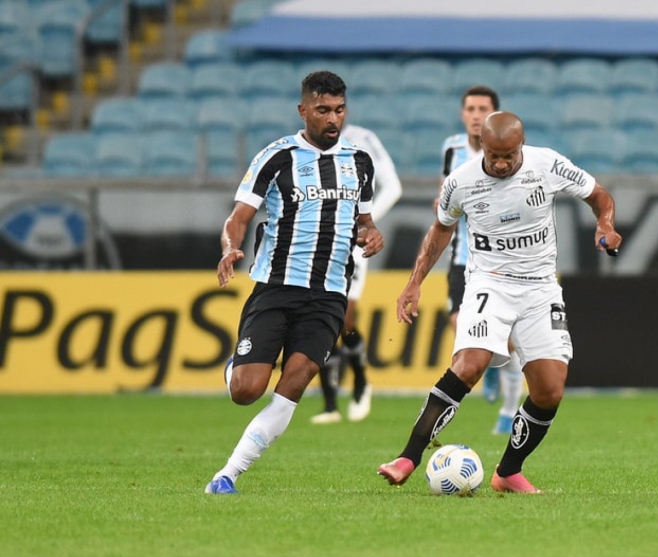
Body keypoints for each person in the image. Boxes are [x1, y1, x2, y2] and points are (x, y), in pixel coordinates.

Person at [378, 111, 621, 493]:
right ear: (483, 147)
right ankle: (408, 456)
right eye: (495, 156)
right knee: (469, 364)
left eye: (510, 155)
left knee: (549, 390)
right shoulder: (461, 182)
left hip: (541, 289)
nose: (503, 163)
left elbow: (599, 196)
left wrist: (605, 223)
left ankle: (507, 472)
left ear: (521, 145)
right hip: (489, 284)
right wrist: (414, 283)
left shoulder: (548, 164)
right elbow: (440, 231)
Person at [205, 71, 384, 494]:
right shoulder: (277, 157)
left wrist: (372, 234)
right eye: (323, 110)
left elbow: (365, 221)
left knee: (298, 377)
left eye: (339, 110)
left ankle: (228, 474)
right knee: (247, 391)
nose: (332, 119)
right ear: (303, 110)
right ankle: (237, 368)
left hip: (329, 295)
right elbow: (237, 220)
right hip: (276, 288)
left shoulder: (360, 162)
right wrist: (231, 247)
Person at [441, 86, 522, 434]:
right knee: (463, 326)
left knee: (506, 341)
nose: (475, 114)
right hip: (463, 259)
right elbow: (444, 193)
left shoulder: (512, 154)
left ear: (494, 116)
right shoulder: (453, 149)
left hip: (505, 262)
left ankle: (508, 410)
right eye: (470, 108)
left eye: (482, 108)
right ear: (463, 114)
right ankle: (489, 369)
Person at [310, 123, 403, 424]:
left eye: (336, 107)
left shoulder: (362, 140)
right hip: (316, 244)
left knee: (346, 319)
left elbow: (394, 187)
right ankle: (329, 405)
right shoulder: (303, 147)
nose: (330, 115)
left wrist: (367, 221)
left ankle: (361, 382)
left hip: (352, 244)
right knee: (320, 320)